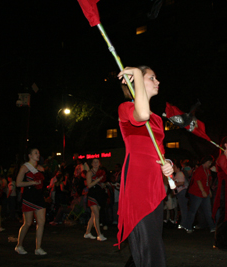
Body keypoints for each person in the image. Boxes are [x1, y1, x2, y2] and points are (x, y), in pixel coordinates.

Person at [116, 66, 174, 267]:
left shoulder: (157, 119)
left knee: (151, 241)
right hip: (137, 181)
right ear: (138, 81)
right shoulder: (126, 108)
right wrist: (138, 74)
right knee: (148, 244)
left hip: (155, 184)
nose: (157, 82)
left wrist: (168, 165)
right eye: (152, 77)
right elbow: (141, 114)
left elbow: (160, 153)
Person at [15, 148, 47, 255]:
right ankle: (19, 245)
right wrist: (32, 183)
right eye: (35, 153)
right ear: (30, 155)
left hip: (39, 197)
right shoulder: (24, 167)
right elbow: (18, 183)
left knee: (41, 222)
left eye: (38, 153)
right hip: (28, 197)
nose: (38, 154)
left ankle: (38, 248)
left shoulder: (41, 168)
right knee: (27, 223)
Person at [181, 156, 216, 233]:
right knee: (193, 210)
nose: (210, 164)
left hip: (204, 193)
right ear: (207, 162)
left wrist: (208, 190)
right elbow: (198, 180)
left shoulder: (207, 170)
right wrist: (203, 191)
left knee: (208, 211)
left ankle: (212, 227)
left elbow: (208, 181)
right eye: (210, 162)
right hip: (196, 193)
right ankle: (188, 227)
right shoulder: (199, 169)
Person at [84, 158, 107, 241]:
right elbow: (89, 185)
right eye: (94, 162)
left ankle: (87, 233)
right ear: (92, 164)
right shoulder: (90, 173)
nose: (96, 163)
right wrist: (98, 180)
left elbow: (101, 184)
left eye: (97, 162)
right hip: (92, 195)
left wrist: (104, 185)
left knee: (93, 215)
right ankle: (99, 234)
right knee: (96, 215)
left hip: (99, 195)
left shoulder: (100, 172)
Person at [173, 162, 188, 228]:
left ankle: (184, 223)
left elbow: (181, 183)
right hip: (180, 193)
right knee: (183, 208)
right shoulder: (177, 174)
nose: (173, 168)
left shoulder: (179, 173)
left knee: (183, 208)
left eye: (174, 167)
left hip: (182, 192)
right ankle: (184, 223)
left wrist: (174, 185)